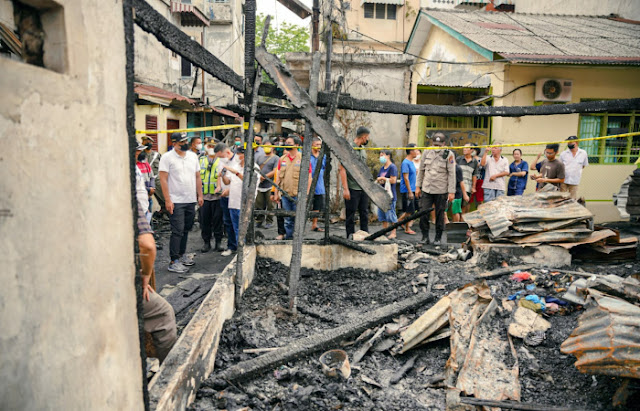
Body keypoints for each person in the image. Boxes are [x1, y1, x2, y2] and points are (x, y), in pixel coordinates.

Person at [137, 204, 177, 363]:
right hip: (114, 282)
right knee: (163, 314)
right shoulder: (125, 197)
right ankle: (167, 372)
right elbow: (147, 246)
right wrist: (145, 274)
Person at [158, 132, 203, 273]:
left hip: (190, 199)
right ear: (174, 143)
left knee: (186, 229)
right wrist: (167, 200)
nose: (184, 144)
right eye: (181, 142)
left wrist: (200, 195)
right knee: (177, 230)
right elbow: (163, 179)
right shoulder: (167, 158)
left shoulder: (192, 156)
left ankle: (182, 255)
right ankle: (174, 261)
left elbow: (197, 176)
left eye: (185, 141)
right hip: (175, 200)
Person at [415, 132, 456, 245]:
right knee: (423, 212)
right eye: (435, 144)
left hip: (441, 189)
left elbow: (452, 174)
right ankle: (425, 236)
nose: (437, 147)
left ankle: (438, 237)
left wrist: (451, 191)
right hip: (427, 188)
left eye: (439, 144)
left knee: (440, 214)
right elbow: (421, 170)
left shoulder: (449, 154)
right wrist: (418, 186)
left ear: (443, 143)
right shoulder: (426, 152)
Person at [274, 135, 312, 240]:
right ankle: (289, 239)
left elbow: (309, 178)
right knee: (287, 219)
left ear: (296, 145)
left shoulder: (303, 159)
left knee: (298, 218)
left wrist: (306, 194)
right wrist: (276, 193)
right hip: (285, 194)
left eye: (289, 143)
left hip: (298, 195)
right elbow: (278, 178)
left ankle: (298, 240)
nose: (287, 145)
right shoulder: (282, 159)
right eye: (286, 142)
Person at [339, 126, 371, 239]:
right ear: (363, 137)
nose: (367, 140)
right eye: (367, 138)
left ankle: (365, 236)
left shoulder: (362, 149)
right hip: (352, 187)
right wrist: (345, 188)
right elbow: (342, 169)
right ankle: (350, 236)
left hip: (363, 187)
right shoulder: (348, 149)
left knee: (364, 213)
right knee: (351, 214)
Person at [214, 143, 240, 256]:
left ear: (228, 152)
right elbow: (220, 176)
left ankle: (242, 247)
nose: (220, 159)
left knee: (238, 223)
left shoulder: (239, 160)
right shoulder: (222, 161)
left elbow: (240, 179)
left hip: (237, 197)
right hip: (225, 197)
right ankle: (232, 246)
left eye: (221, 156)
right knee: (228, 222)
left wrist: (230, 190)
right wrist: (219, 187)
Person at [199, 141, 224, 253]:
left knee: (218, 220)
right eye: (209, 146)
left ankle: (218, 242)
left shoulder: (222, 161)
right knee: (205, 221)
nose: (211, 148)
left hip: (217, 197)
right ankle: (206, 243)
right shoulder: (201, 160)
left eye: (213, 147)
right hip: (204, 196)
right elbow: (197, 177)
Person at [376, 150, 399, 239]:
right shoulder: (382, 168)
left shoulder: (392, 167)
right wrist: (381, 179)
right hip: (381, 194)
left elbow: (393, 180)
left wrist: (383, 178)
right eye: (380, 155)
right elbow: (379, 178)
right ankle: (384, 230)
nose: (381, 157)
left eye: (383, 155)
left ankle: (393, 232)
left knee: (391, 213)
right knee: (382, 214)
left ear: (388, 156)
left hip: (390, 195)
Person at [255, 145, 279, 229]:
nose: (267, 148)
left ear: (272, 147)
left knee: (270, 205)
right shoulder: (259, 157)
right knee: (259, 204)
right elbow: (256, 168)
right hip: (260, 185)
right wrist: (259, 177)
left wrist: (264, 177)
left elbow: (275, 171)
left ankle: (269, 221)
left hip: (270, 185)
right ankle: (259, 220)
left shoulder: (276, 158)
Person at [399, 144, 418, 235]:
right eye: (415, 150)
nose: (417, 151)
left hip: (413, 189)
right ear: (411, 151)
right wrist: (410, 191)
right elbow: (406, 178)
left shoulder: (411, 162)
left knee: (410, 210)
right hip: (407, 190)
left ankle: (398, 222)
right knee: (409, 211)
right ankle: (406, 227)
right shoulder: (405, 163)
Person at [309, 137, 326, 232]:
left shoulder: (322, 156)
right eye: (317, 145)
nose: (319, 147)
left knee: (317, 206)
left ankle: (314, 224)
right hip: (308, 184)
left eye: (320, 145)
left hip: (319, 184)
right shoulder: (307, 156)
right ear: (312, 145)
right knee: (306, 204)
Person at [456, 144, 478, 213]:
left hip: (468, 187)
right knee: (456, 206)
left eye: (467, 148)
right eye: (464, 148)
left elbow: (474, 175)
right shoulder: (459, 159)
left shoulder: (474, 162)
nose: (464, 149)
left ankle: (461, 222)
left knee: (464, 206)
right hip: (457, 187)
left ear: (471, 150)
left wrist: (473, 187)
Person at [142, 135, 162, 212]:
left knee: (162, 198)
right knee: (146, 200)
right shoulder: (140, 155)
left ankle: (164, 213)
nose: (147, 143)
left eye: (149, 142)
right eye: (145, 142)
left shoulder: (157, 155)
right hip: (145, 181)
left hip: (157, 180)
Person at [136, 143, 155, 221]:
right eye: (138, 151)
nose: (141, 153)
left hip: (147, 198)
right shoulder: (132, 166)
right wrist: (148, 189)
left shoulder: (145, 163)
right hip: (139, 199)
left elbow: (152, 176)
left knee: (148, 221)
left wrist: (152, 188)